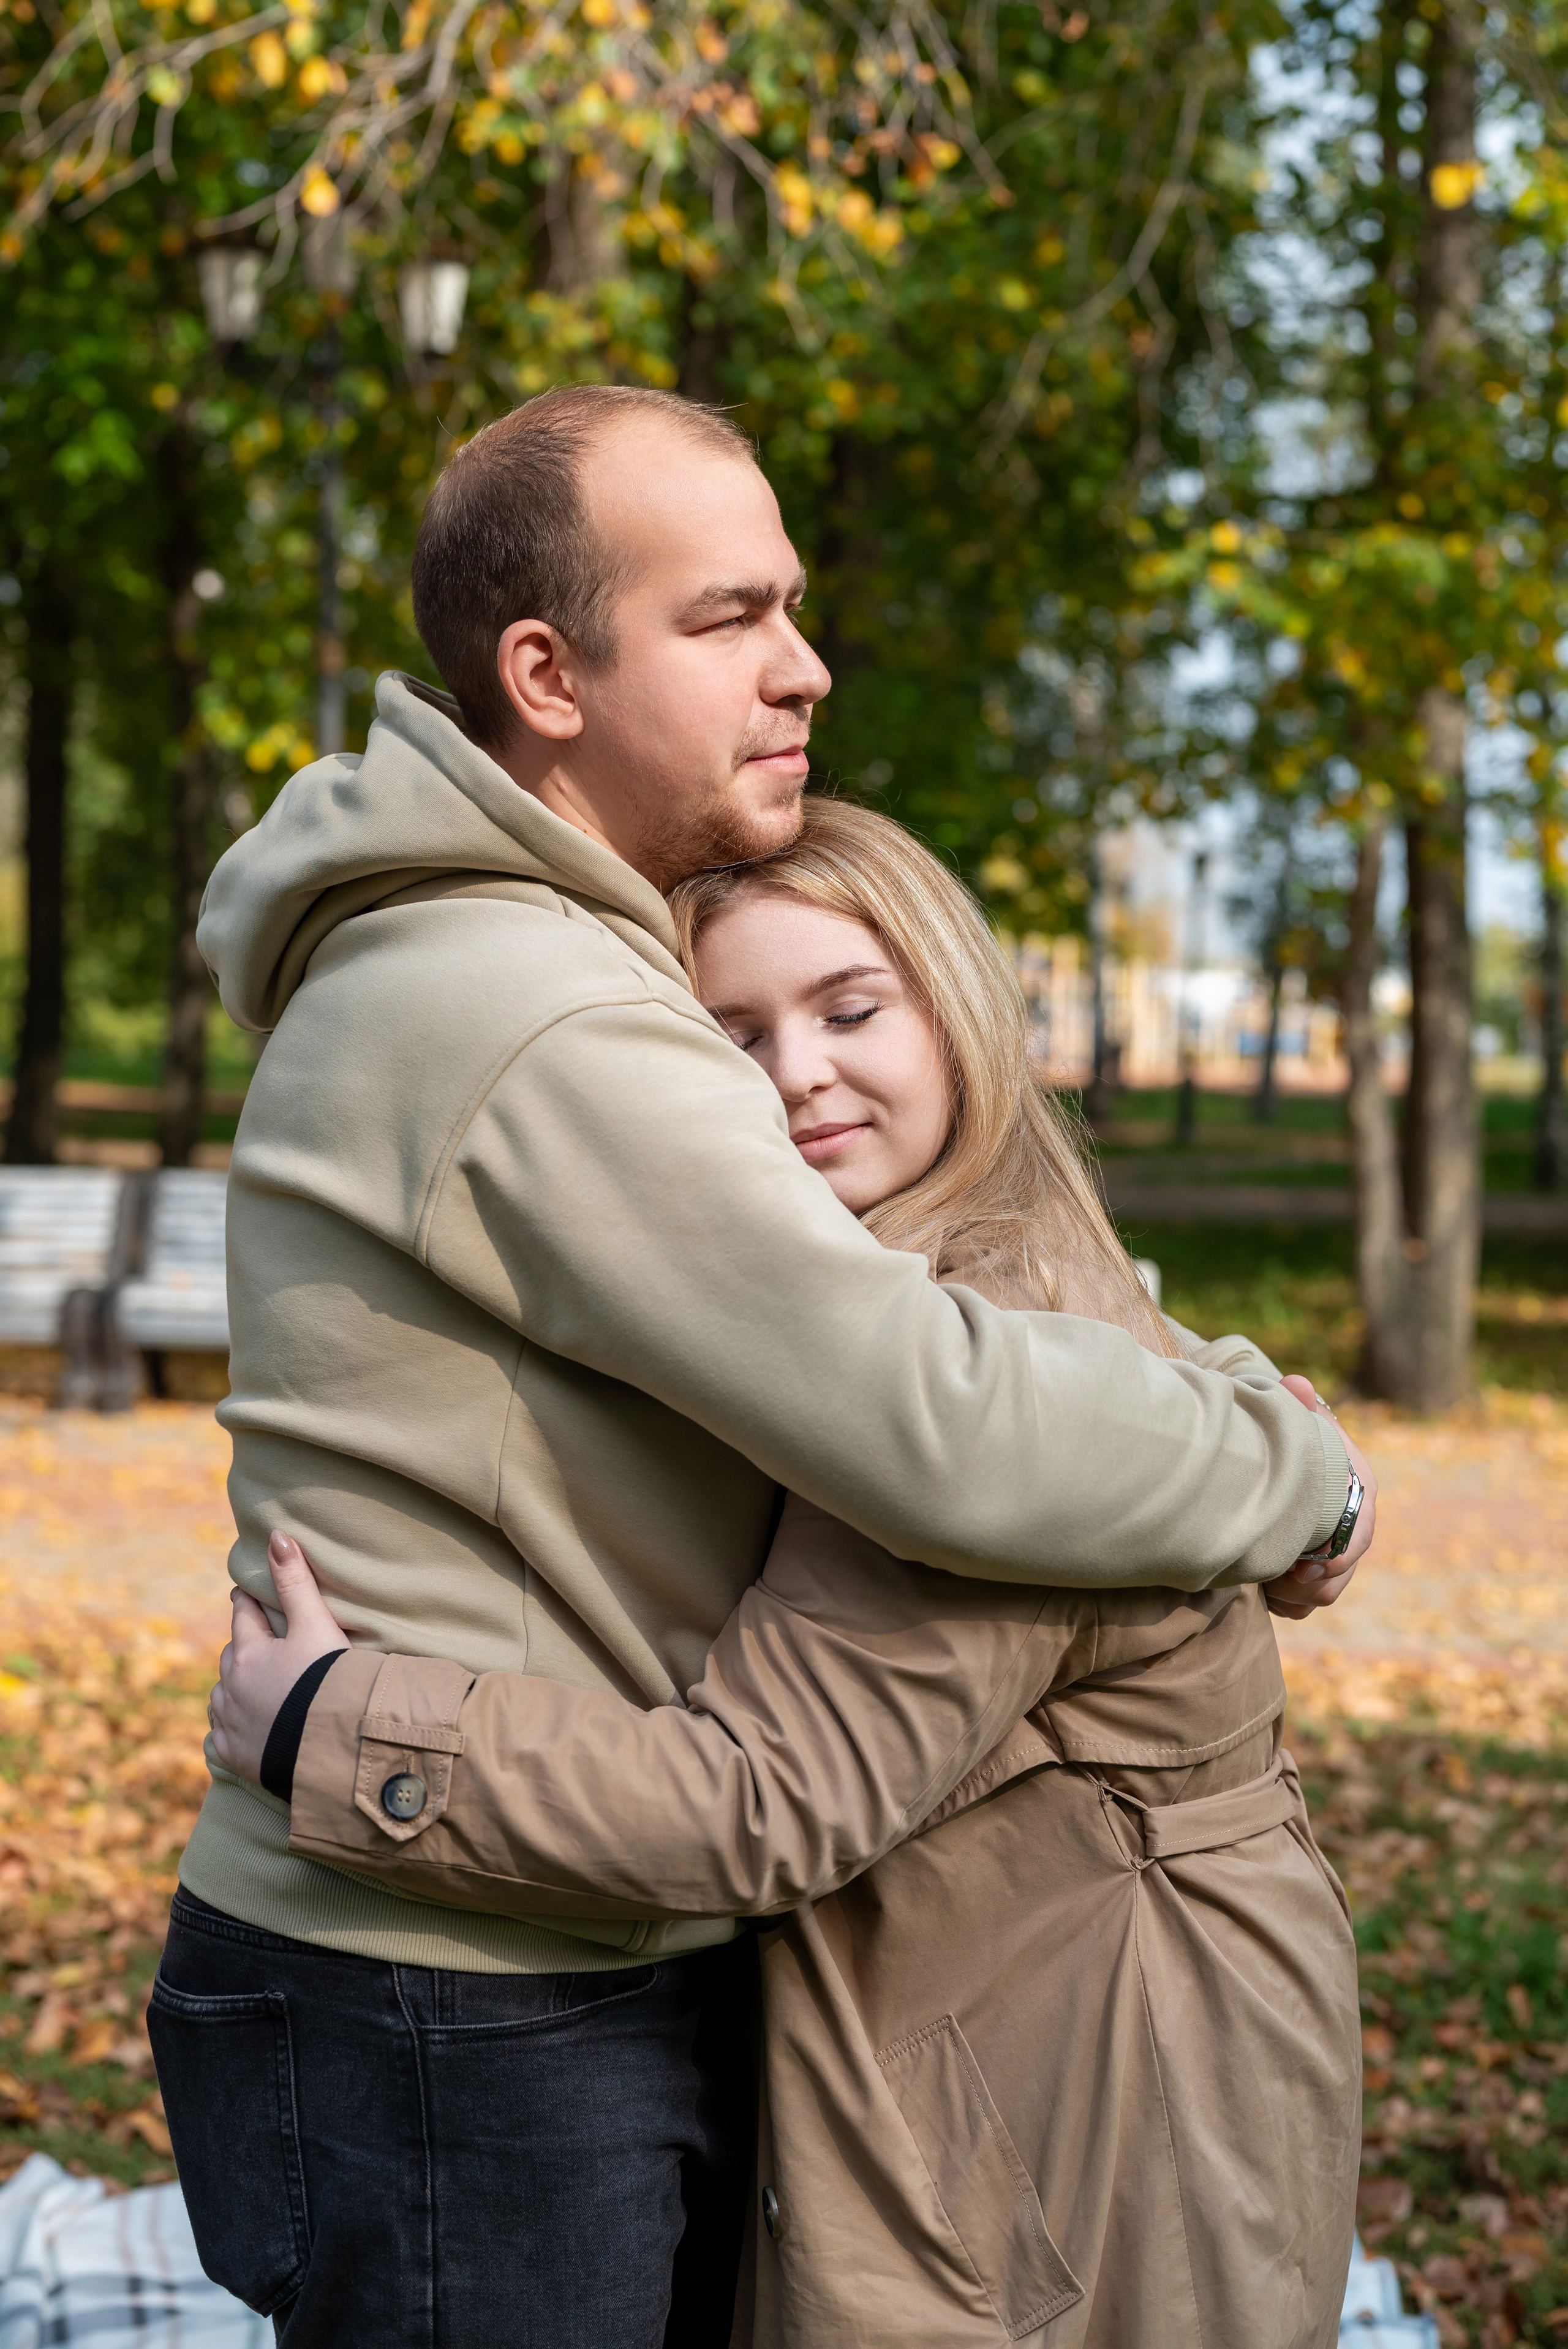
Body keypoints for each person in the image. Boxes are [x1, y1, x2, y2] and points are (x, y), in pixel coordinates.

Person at [157, 385, 1366, 2349]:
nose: (804, 664)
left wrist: (1203, 1386)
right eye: (729, 618)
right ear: (546, 673)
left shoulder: (530, 958)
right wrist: (1298, 1477)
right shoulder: (544, 1008)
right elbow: (935, 1419)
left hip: (514, 1941)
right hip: (463, 1975)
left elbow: (935, 1357)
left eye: (793, 606)